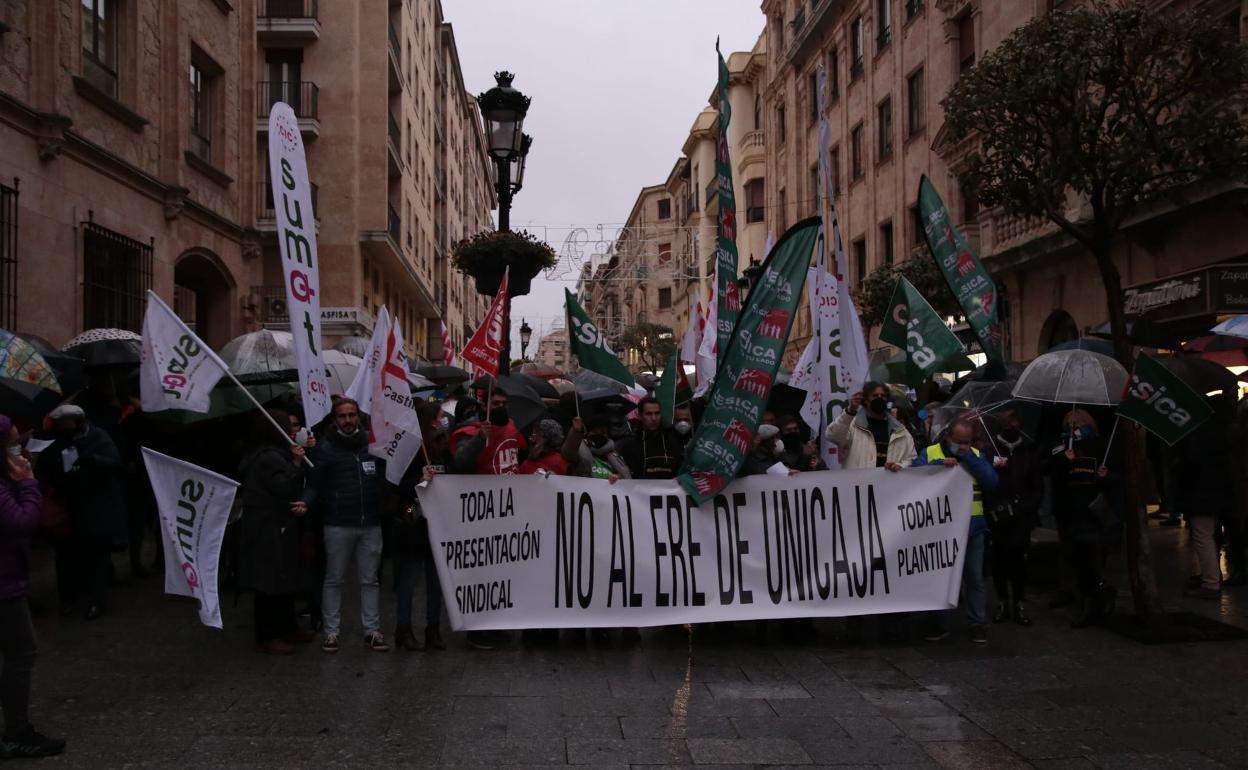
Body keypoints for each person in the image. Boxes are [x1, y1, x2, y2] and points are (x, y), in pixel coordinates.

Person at [302, 398, 390, 653]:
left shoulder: (373, 446)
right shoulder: (325, 449)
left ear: (359, 417)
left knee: (370, 580)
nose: (348, 420)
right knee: (334, 579)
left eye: (352, 415)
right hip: (338, 524)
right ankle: (331, 632)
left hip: (370, 524)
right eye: (343, 416)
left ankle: (372, 631)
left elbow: (386, 478)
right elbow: (314, 485)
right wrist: (305, 503)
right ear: (335, 419)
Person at [0, 416, 65, 759]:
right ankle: (17, 732)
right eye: (11, 443)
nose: (19, 448)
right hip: (4, 584)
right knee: (21, 652)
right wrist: (27, 482)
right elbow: (22, 523)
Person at [36, 404, 125, 621]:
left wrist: (92, 461)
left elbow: (114, 461)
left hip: (95, 506)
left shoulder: (97, 437)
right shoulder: (56, 441)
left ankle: (97, 600)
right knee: (66, 556)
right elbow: (44, 471)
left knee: (97, 556)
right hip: (67, 508)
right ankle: (67, 598)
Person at [915, 418, 999, 644]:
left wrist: (969, 457)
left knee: (974, 578)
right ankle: (938, 623)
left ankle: (977, 623)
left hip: (972, 527)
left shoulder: (975, 455)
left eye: (967, 442)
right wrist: (939, 465)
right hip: (940, 528)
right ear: (947, 436)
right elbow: (913, 475)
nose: (962, 446)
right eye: (958, 441)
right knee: (940, 577)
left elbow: (991, 482)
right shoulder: (930, 452)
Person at [237, 410, 312, 655]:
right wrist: (297, 464)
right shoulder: (271, 458)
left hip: (273, 525)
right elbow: (285, 488)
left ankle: (287, 627)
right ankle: (268, 635)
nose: (294, 431)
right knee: (268, 583)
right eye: (288, 426)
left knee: (283, 579)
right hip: (267, 528)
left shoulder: (270, 455)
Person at [1046, 409, 1117, 628]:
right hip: (1068, 508)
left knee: (1090, 556)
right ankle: (1078, 592)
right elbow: (1052, 472)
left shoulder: (1101, 445)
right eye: (1070, 423)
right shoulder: (1061, 445)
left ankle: (1094, 599)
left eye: (1079, 423)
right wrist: (1065, 461)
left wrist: (1105, 477)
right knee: (1071, 552)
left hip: (1092, 509)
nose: (1074, 427)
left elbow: (1116, 477)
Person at [393, 401, 449, 652]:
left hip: (437, 523)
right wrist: (419, 480)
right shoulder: (408, 451)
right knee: (409, 578)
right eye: (439, 417)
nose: (443, 421)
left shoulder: (443, 448)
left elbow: (456, 474)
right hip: (413, 524)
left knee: (436, 580)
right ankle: (403, 629)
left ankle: (433, 629)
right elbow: (396, 487)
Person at [985, 411, 1042, 626]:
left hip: (1021, 517)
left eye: (1015, 422)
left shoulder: (1028, 452)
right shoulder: (990, 450)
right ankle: (1002, 600)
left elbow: (1037, 486)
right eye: (1007, 423)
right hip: (998, 517)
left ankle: (1019, 601)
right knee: (999, 561)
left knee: (1019, 561)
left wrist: (1026, 507)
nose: (1011, 426)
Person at [1175, 399, 1233, 599]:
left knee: (1203, 536)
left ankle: (1210, 583)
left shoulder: (1199, 434)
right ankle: (1211, 576)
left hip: (1202, 492)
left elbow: (1193, 463)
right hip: (1213, 490)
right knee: (1208, 534)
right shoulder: (1219, 431)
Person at [826, 383, 916, 471]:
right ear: (865, 400)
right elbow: (833, 435)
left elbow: (912, 460)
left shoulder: (901, 432)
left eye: (883, 396)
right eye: (875, 396)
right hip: (860, 484)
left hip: (889, 485)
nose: (879, 398)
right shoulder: (852, 426)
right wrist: (850, 411)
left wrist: (900, 466)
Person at [451, 389, 527, 475]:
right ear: (484, 406)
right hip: (484, 486)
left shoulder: (511, 425)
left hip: (511, 485)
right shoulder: (470, 430)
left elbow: (521, 455)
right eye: (496, 403)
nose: (501, 406)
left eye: (504, 404)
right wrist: (480, 438)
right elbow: (461, 463)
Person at [618, 397, 683, 480]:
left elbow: (682, 470)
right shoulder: (629, 445)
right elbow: (625, 474)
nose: (654, 418)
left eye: (657, 413)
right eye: (649, 414)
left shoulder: (673, 442)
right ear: (640, 416)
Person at [563, 414, 630, 481]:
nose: (599, 435)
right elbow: (568, 453)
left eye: (603, 432)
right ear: (588, 434)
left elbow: (626, 478)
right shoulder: (578, 450)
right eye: (594, 432)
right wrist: (576, 432)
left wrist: (618, 478)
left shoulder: (615, 455)